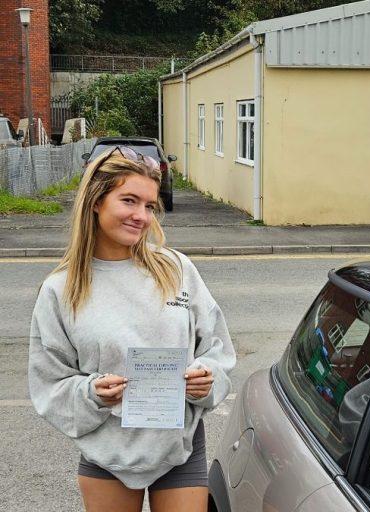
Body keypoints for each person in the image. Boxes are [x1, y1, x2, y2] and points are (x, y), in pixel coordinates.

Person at [28, 146, 236, 512]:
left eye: (150, 205)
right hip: (109, 453)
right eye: (129, 200)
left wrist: (208, 378)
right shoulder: (60, 289)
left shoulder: (177, 269)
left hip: (178, 448)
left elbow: (216, 348)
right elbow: (49, 382)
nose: (141, 216)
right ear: (96, 201)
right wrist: (92, 393)